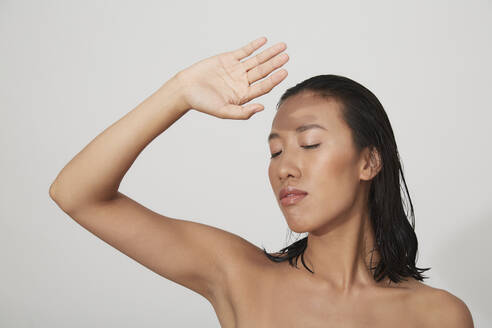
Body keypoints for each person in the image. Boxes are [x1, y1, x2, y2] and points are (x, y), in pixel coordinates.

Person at [49, 36, 474, 327]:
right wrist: (177, 93)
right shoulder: (238, 273)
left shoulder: (439, 316)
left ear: (369, 161)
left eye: (309, 144)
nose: (284, 167)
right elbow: (77, 195)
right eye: (275, 151)